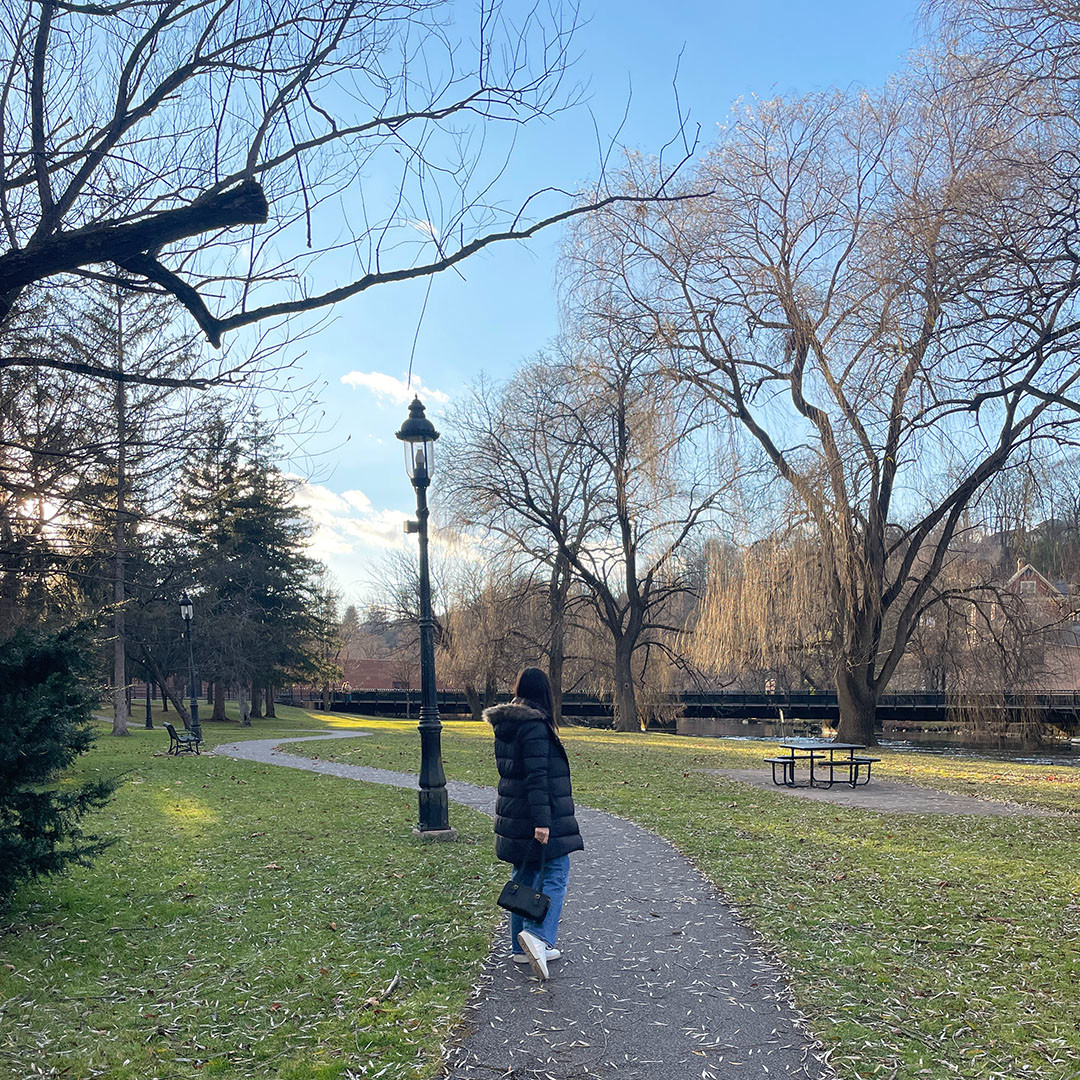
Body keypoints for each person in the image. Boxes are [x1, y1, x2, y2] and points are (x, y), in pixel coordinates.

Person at [483, 667, 583, 981]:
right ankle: (537, 938)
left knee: (524, 877)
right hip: (534, 817)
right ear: (545, 694)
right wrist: (543, 822)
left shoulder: (508, 724)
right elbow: (538, 778)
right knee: (557, 870)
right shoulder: (535, 726)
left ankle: (519, 947)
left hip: (513, 817)